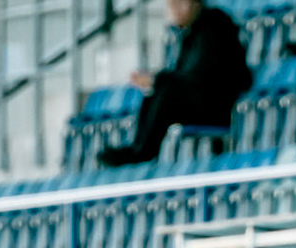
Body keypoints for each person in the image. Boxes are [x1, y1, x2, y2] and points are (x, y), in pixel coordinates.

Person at [99, 0, 253, 166]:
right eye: (172, 6)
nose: (175, 11)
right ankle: (137, 147)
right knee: (156, 92)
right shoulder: (190, 32)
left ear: (195, 4)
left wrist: (157, 80)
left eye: (179, 4)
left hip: (216, 105)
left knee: (166, 88)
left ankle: (144, 151)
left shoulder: (215, 25)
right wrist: (157, 81)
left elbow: (200, 75)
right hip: (199, 99)